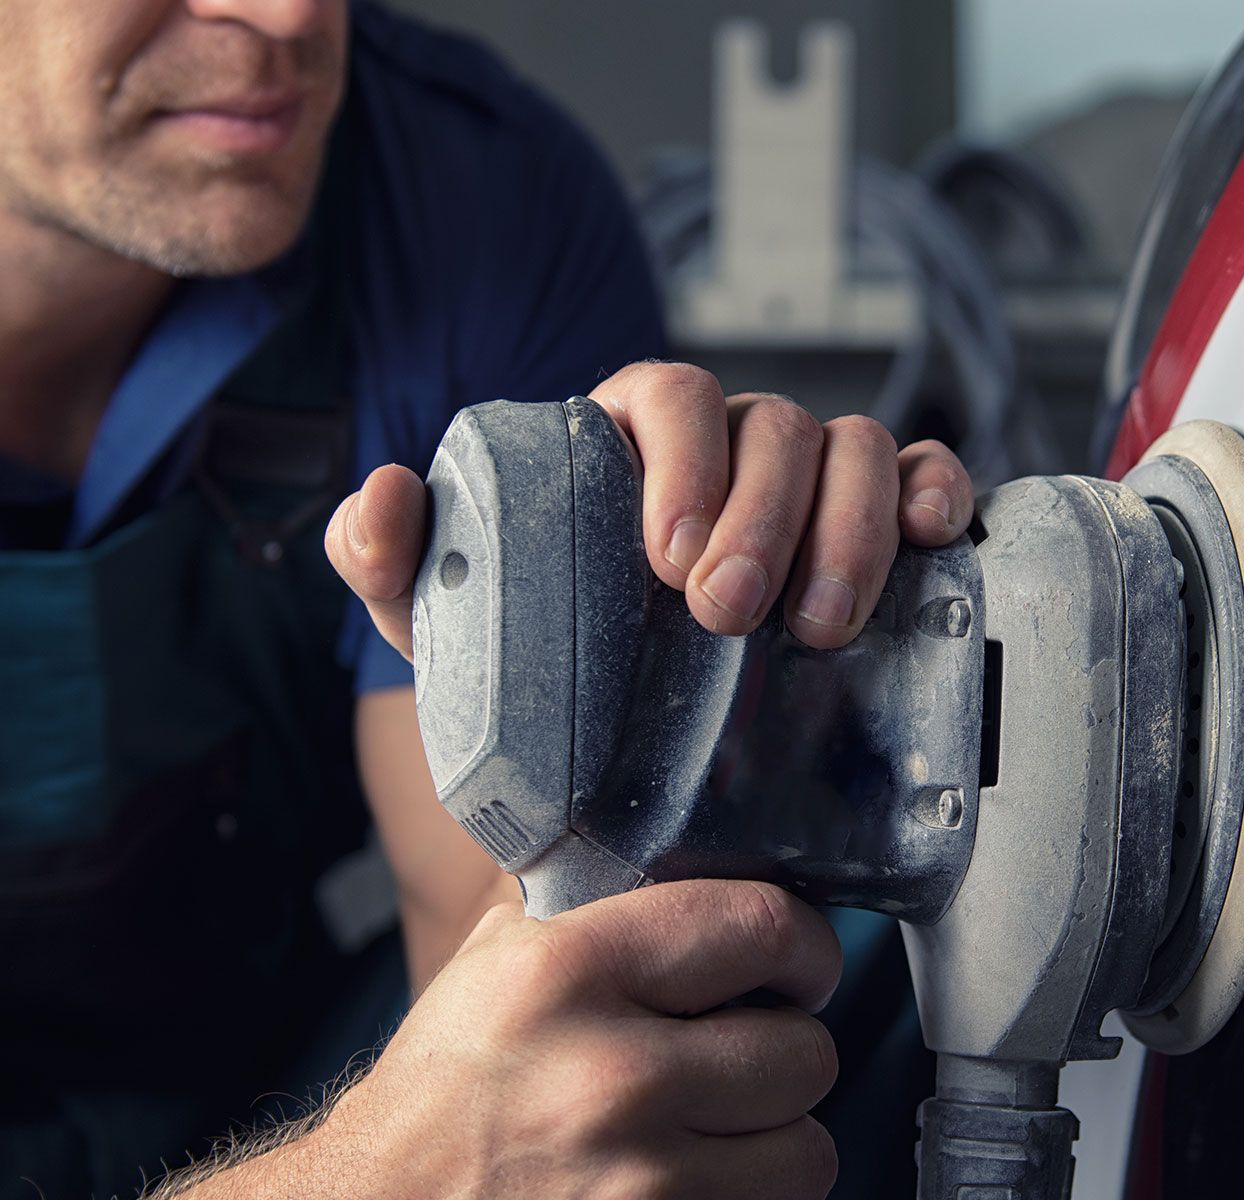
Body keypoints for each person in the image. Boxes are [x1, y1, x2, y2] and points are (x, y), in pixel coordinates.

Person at [0, 1, 974, 1197]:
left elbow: (504, 959)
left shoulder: (477, 207)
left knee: (820, 962)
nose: (291, 14)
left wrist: (695, 691)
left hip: (251, 1086)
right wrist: (371, 1181)